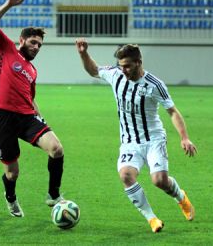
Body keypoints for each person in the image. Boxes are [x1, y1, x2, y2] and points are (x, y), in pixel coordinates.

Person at [75, 38, 197, 233]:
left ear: (139, 62)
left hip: (154, 139)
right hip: (129, 142)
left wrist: (184, 137)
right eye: (121, 66)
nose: (123, 70)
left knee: (159, 181)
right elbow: (94, 70)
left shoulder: (154, 84)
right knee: (125, 175)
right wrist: (83, 54)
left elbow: (172, 111)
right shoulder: (116, 75)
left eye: (128, 66)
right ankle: (152, 219)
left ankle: (181, 198)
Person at [0, 0, 64, 218]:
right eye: (33, 42)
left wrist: (41, 117)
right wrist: (8, 5)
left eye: (39, 44)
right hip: (2, 117)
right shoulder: (6, 49)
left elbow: (30, 97)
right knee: (12, 173)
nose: (36, 47)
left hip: (27, 117)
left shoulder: (32, 70)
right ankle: (11, 198)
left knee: (57, 149)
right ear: (21, 40)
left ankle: (53, 194)